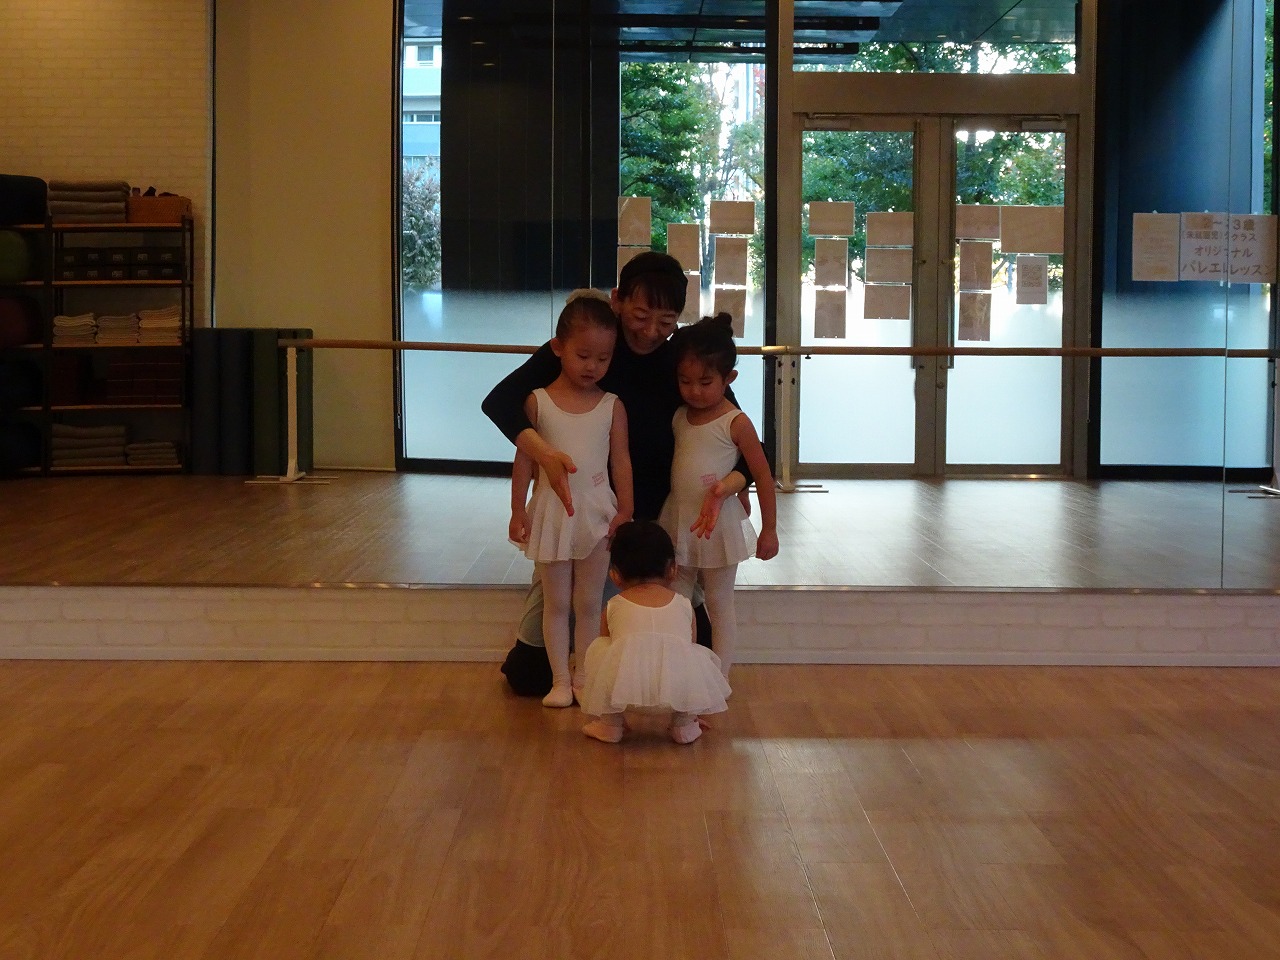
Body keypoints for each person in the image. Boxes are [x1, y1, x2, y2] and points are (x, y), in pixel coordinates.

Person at [482, 251, 748, 696]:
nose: (651, 331)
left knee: (682, 651)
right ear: (617, 299)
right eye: (640, 315)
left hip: (656, 520)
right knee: (530, 675)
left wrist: (732, 485)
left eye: (666, 321)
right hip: (586, 516)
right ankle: (574, 675)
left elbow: (745, 441)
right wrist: (544, 453)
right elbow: (501, 402)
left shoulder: (681, 360)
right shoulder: (590, 342)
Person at [509, 290, 633, 708]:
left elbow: (621, 461)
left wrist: (626, 510)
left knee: (589, 601)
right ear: (558, 347)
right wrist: (516, 510)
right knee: (557, 602)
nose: (592, 366)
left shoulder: (612, 405)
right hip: (552, 512)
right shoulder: (537, 401)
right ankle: (560, 680)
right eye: (583, 355)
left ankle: (584, 677)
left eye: (603, 358)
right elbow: (524, 460)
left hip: (597, 514)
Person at [658, 313, 778, 678]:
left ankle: (719, 678)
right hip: (680, 518)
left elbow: (763, 474)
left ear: (729, 379)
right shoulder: (679, 416)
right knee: (676, 601)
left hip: (718, 526)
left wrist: (769, 529)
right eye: (685, 381)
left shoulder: (735, 422)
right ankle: (681, 672)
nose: (694, 390)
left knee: (719, 602)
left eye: (705, 382)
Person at [577, 520, 731, 744]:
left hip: (626, 694)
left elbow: (606, 657)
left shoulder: (613, 605)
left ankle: (610, 724)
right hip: (675, 695)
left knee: (601, 650)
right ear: (673, 569)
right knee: (691, 653)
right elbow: (689, 652)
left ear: (615, 575)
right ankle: (684, 724)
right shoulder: (684, 604)